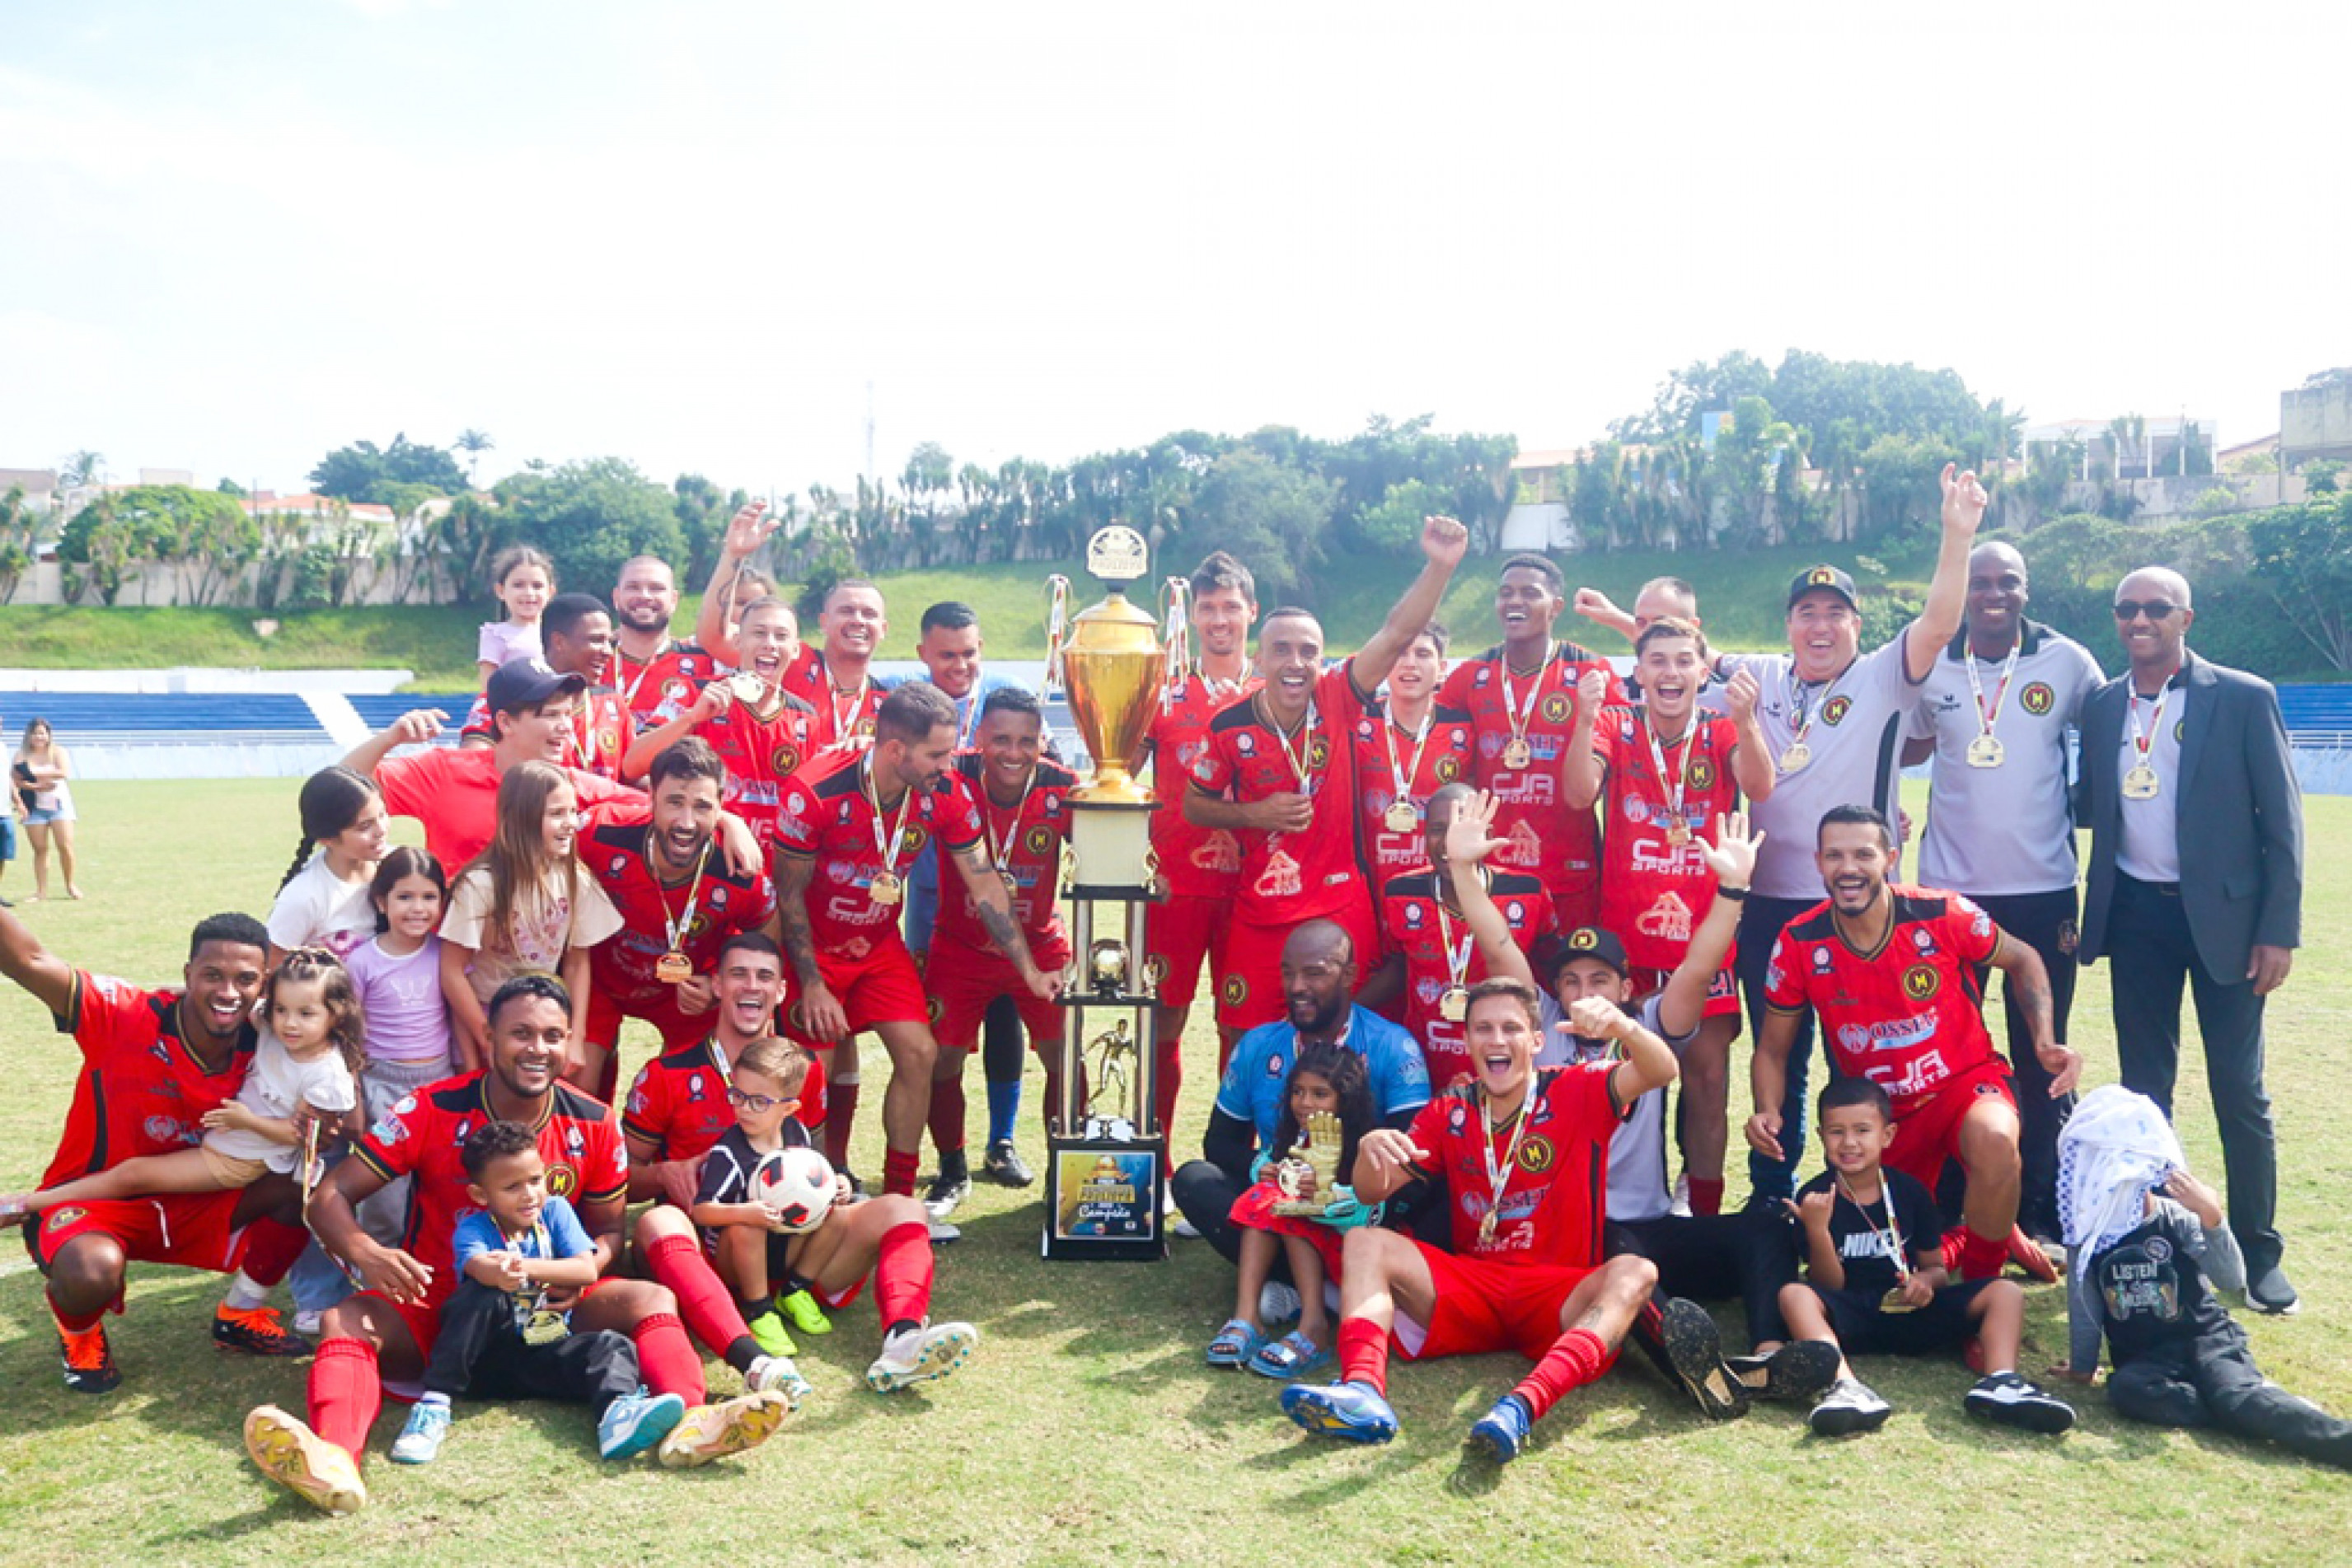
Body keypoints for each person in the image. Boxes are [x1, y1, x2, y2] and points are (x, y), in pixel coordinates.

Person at [242, 976, 788, 1516]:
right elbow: (329, 1194)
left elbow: (608, 1233)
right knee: (345, 1318)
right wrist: (366, 1252)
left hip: (548, 1311)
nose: (538, 1048)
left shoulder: (595, 1122)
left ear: (570, 1040)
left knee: (651, 1299)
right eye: (521, 1033)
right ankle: (334, 1458)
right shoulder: (431, 1107)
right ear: (489, 1034)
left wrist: (580, 1269)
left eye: (552, 1035)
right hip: (440, 1305)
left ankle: (692, 1423)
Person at [1278, 978, 1741, 1462]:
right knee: (1364, 1241)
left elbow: (1662, 1068)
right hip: (1474, 1288)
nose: (1496, 1041)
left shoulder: (1577, 1087)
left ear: (1535, 1042)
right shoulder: (1448, 1109)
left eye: (1510, 1029)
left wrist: (1624, 1026)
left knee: (1637, 1272)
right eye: (1483, 1029)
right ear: (1467, 1042)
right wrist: (1370, 1151)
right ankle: (1362, 1391)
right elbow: (1374, 1191)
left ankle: (1521, 1407)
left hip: (1555, 1294)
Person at [1718, 464, 1987, 1201]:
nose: (1820, 625)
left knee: (1862, 1061)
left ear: (1857, 627)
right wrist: (1623, 625)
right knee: (1778, 1054)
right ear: (1788, 625)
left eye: (1836, 613)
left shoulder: (1881, 677)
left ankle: (1880, 1196)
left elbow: (1938, 622)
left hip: (1856, 905)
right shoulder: (1761, 678)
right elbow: (1677, 660)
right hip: (1766, 902)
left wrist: (1956, 535)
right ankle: (1774, 1192)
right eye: (1807, 611)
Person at [2075, 565, 2303, 1315]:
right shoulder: (2105, 704)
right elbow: (2089, 809)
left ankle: (2259, 1254)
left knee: (2240, 1092)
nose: (2140, 620)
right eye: (2126, 609)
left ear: (2186, 617)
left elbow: (2284, 826)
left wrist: (2277, 932)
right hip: (2138, 917)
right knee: (2146, 1094)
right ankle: (2160, 1240)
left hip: (2228, 925)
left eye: (2156, 608)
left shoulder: (2241, 697)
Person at [1748, 805, 2082, 1283]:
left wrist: (2045, 1040)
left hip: (1963, 1084)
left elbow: (2024, 957)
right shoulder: (1799, 941)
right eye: (1835, 856)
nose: (1849, 869)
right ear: (1818, 862)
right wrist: (1767, 1109)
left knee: (1993, 1137)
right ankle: (1985, 1235)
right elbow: (1773, 1050)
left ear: (1889, 858)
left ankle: (1981, 1288)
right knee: (1870, 1274)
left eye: (1863, 855)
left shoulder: (1944, 912)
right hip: (1879, 1115)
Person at [0, 907, 313, 1392]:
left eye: (245, 979)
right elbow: (29, 959)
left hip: (198, 1200)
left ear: (264, 985)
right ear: (188, 974)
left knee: (304, 1189)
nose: (228, 993)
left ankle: (240, 1313)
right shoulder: (124, 1014)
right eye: (212, 976)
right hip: (95, 1200)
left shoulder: (275, 1036)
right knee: (91, 1270)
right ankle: (79, 1335)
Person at [774, 682, 1060, 1205]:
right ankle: (815, 1192)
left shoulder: (946, 791)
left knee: (920, 1051)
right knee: (808, 1070)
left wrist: (1029, 968)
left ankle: (900, 1201)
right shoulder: (815, 788)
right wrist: (812, 984)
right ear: (894, 750)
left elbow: (984, 881)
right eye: (937, 754)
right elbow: (787, 897)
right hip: (812, 946)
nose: (948, 765)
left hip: (879, 945)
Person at [1185, 514, 1469, 1035]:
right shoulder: (1228, 726)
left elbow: (1397, 632)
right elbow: (1194, 804)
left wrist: (1438, 567)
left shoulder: (1338, 696)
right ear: (1259, 659)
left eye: (1309, 651)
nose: (1296, 663)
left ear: (1323, 660)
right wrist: (1253, 813)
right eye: (1282, 650)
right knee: (1239, 1036)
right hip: (1262, 907)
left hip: (1339, 903)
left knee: (1350, 1036)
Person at [1899, 541, 2104, 1250]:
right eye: (1979, 581)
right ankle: (1950, 1200)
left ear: (2025, 588)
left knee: (2039, 1053)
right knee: (1948, 1055)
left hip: (2045, 889)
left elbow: (2107, 739)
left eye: (2006, 581)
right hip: (1950, 894)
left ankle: (2042, 1206)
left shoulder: (2069, 661)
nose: (1992, 593)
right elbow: (1910, 743)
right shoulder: (1934, 662)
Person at [1560, 620, 1770, 1215]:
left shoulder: (1723, 725)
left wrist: (1750, 721)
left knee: (1705, 1080)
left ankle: (1700, 1213)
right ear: (1639, 670)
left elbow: (1762, 785)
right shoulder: (1614, 721)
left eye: (1684, 661)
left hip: (1704, 941)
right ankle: (1621, 1200)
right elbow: (1579, 793)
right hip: (1627, 947)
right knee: (1625, 1080)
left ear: (1703, 672)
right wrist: (1580, 718)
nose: (1671, 673)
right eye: (1657, 660)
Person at [2058, 1085, 2352, 1468]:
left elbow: (2230, 1279)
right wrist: (2081, 1368)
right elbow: (2085, 1309)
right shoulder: (2087, 1238)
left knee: (2236, 1396)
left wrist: (2212, 1220)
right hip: (2147, 1360)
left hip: (2206, 1339)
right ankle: (2250, 1408)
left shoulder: (2174, 1217)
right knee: (2127, 1391)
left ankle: (2329, 1436)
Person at [1777, 1078, 2076, 1439]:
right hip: (1850, 1314)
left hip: (1910, 1308)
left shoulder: (1909, 1191)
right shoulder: (1814, 1195)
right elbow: (1828, 1285)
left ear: (1887, 1136)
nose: (1850, 1142)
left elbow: (1934, 1267)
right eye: (1837, 1132)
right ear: (1821, 1136)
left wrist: (1925, 1282)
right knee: (1793, 1295)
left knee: (2006, 1291)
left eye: (1862, 1130)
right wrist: (1818, 1230)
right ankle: (1844, 1386)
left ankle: (2001, 1382)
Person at [688, 1035, 983, 1397]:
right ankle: (759, 1310)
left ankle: (812, 1298)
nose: (745, 1108)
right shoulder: (728, 1151)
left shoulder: (796, 1137)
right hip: (741, 1264)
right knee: (744, 1228)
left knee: (848, 1213)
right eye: (738, 1095)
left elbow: (818, 1178)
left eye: (759, 1101)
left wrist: (838, 1184)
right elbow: (701, 1210)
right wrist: (746, 1211)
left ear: (790, 1108)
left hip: (794, 1252)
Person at [389, 1121, 685, 1466]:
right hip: (484, 1363)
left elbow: (586, 1269)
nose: (529, 1194)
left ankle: (617, 1415)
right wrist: (496, 1273)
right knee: (483, 1296)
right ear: (481, 1196)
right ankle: (433, 1406)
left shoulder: (555, 1211)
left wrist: (524, 1268)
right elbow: (477, 1266)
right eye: (512, 1187)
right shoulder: (474, 1227)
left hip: (543, 1350)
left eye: (535, 1180)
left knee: (611, 1344)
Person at [2, 947, 360, 1220]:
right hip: (226, 1139)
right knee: (134, 1174)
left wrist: (245, 1121)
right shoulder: (271, 1025)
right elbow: (233, 1004)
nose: (290, 1024)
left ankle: (25, 1205)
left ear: (337, 1013)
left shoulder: (326, 1073)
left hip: (239, 1158)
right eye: (282, 1010)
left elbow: (304, 1137)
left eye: (306, 1014)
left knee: (133, 1175)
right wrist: (185, 995)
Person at [623, 933, 832, 1393]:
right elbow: (615, 1182)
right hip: (699, 1247)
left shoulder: (807, 1070)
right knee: (658, 1221)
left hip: (786, 1245)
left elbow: (814, 1159)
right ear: (716, 985)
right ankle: (751, 1355)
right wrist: (662, 1174)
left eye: (764, 977)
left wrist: (835, 1185)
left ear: (781, 991)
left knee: (896, 1209)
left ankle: (904, 1335)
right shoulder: (665, 1074)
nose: (750, 987)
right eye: (738, 974)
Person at [1169, 920, 1431, 1285]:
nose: (1297, 988)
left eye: (1314, 975)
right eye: (1288, 973)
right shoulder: (1257, 1045)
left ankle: (1335, 1278)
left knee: (1432, 1200)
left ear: (1349, 975)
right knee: (1193, 1179)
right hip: (1283, 1199)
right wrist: (1265, 1168)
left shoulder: (1393, 1045)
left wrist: (1346, 1191)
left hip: (1358, 1204)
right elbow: (1219, 1143)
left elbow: (1417, 1154)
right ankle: (1303, 1288)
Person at [921, 689, 1075, 1215]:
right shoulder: (950, 775)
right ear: (980, 736)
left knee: (1063, 1057)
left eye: (1026, 741)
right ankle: (951, 1169)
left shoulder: (1062, 786)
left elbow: (1106, 852)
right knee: (939, 1058)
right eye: (1002, 739)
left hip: (1039, 942)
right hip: (959, 945)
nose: (1014, 752)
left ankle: (1065, 1170)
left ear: (1041, 742)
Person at [578, 738, 781, 1101]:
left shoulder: (740, 870)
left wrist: (716, 985)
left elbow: (766, 943)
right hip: (600, 979)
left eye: (702, 807)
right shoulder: (600, 832)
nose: (686, 823)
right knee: (579, 1087)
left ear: (720, 807)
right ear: (651, 798)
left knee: (702, 1095)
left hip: (687, 993)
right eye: (674, 802)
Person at [1434, 554, 1626, 932]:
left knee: (1569, 979)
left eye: (1529, 593)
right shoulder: (1469, 676)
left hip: (1571, 872)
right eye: (1505, 593)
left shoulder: (1592, 671)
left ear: (1555, 607)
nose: (1514, 602)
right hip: (1492, 869)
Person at [1139, 550, 1260, 1138]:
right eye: (1207, 607)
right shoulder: (1162, 691)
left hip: (1254, 891)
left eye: (1230, 607)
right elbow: (1119, 774)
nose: (1218, 619)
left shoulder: (1276, 689)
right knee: (1163, 1019)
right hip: (1174, 886)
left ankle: (1228, 1165)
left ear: (1251, 613)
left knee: (1242, 1028)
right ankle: (1155, 1165)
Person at [346, 657, 644, 874]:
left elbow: (655, 812)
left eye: (568, 715)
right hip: (456, 950)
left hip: (543, 953)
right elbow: (339, 789)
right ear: (504, 722)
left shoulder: (577, 786)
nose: (566, 727)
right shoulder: (443, 772)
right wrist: (388, 739)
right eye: (551, 716)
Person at [437, 761, 625, 1074]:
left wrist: (574, 1037)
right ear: (521, 817)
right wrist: (487, 1037)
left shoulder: (576, 878)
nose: (570, 824)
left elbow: (578, 961)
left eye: (572, 812)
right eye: (556, 814)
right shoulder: (481, 884)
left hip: (542, 1022)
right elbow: (453, 972)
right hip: (484, 1020)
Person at [1358, 783, 1553, 1086]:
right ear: (1423, 838)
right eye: (1438, 829)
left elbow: (1546, 967)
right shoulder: (1400, 892)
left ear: (1487, 836)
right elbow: (1398, 964)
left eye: (1463, 829)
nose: (1450, 841)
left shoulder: (1528, 892)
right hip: (1423, 1060)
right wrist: (1348, 1008)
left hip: (1500, 1056)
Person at [1206, 1045, 1380, 1380]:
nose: (1305, 1103)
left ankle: (1313, 1325)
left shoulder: (1362, 1144)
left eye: (1320, 1094)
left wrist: (1328, 1198)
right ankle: (1246, 1318)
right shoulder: (1295, 1135)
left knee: (1291, 1208)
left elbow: (1373, 1207)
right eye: (1298, 1092)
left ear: (1345, 1099)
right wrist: (1265, 1169)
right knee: (1268, 1199)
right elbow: (1269, 1159)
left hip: (1349, 1257)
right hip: (1299, 1246)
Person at [699, 503, 891, 755]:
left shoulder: (887, 703)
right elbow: (713, 638)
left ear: (884, 628)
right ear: (823, 622)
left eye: (869, 614)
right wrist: (733, 556)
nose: (858, 620)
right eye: (846, 611)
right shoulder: (791, 658)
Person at [622, 597, 816, 847]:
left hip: (769, 863)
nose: (770, 644)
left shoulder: (806, 717)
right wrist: (692, 718)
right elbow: (631, 766)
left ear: (797, 649)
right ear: (738, 641)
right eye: (759, 633)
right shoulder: (695, 693)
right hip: (701, 854)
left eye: (781, 636)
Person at [343, 848, 456, 1244]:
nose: (417, 909)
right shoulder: (362, 963)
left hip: (439, 1082)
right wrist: (356, 1099)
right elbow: (350, 1036)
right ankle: (381, 1277)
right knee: (385, 1196)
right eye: (404, 897)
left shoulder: (446, 953)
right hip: (383, 1086)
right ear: (381, 902)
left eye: (429, 897)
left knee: (443, 1183)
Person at [1352, 622, 1474, 888]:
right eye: (1400, 653)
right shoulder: (1357, 722)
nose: (1409, 664)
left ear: (1442, 669)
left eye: (1422, 654)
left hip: (1439, 882)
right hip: (1369, 880)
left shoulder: (1464, 731)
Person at [269, 766, 391, 964]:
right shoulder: (304, 897)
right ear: (327, 838)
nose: (381, 830)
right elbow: (273, 965)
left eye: (383, 814)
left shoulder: (396, 866)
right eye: (364, 826)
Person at [609, 553, 724, 730]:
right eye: (633, 587)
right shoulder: (592, 660)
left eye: (656, 588)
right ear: (616, 597)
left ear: (674, 600)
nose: (645, 596)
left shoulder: (705, 660)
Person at [14, 715, 82, 901]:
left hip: (59, 805)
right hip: (34, 806)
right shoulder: (21, 754)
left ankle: (70, 884)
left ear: (49, 735)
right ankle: (41, 891)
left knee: (65, 846)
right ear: (28, 735)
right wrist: (36, 786)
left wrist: (33, 773)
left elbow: (63, 772)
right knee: (40, 849)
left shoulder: (58, 752)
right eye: (35, 733)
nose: (39, 737)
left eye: (42, 733)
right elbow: (17, 779)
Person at [475, 545, 554, 687]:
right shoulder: (495, 635)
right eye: (518, 585)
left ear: (550, 592)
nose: (529, 593)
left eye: (537, 586)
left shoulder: (559, 634)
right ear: (500, 591)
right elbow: (488, 689)